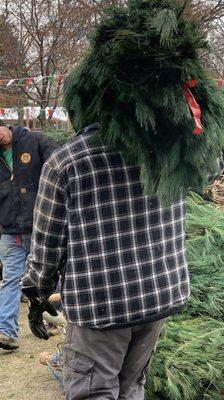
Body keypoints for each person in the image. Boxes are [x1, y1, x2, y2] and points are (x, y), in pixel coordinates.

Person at [21, 123, 190, 398]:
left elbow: (47, 249)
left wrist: (36, 294)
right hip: (159, 297)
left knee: (93, 392)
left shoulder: (67, 162)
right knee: (132, 387)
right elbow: (214, 165)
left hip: (101, 306)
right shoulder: (168, 149)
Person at [0, 122, 57, 350]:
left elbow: (61, 166)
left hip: (41, 228)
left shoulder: (36, 141)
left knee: (50, 276)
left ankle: (57, 321)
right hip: (10, 230)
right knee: (10, 280)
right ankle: (6, 331)